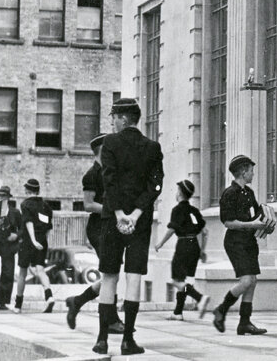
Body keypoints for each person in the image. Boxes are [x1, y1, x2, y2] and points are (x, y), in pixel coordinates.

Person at [92, 98, 164, 356]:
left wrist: (120, 213)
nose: (112, 121)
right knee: (134, 277)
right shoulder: (153, 147)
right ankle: (127, 341)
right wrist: (135, 214)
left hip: (112, 219)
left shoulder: (109, 143)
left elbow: (108, 180)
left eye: (114, 116)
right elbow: (156, 186)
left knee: (109, 276)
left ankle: (102, 340)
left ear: (123, 118)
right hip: (140, 222)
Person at [204, 155, 273, 335]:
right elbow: (228, 222)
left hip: (248, 241)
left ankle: (244, 323)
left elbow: (257, 215)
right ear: (243, 171)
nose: (253, 174)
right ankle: (222, 309)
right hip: (235, 242)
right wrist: (252, 225)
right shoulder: (230, 193)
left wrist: (267, 223)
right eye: (251, 171)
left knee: (253, 281)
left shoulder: (249, 193)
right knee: (246, 280)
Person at [66, 133, 124, 333]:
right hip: (98, 228)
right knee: (111, 274)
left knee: (111, 274)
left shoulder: (108, 173)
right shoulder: (92, 174)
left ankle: (78, 301)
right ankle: (111, 320)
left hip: (108, 227)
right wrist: (114, 210)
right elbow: (88, 205)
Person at [155, 179, 209, 320]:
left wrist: (160, 243)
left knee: (176, 281)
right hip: (194, 246)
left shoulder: (177, 210)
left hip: (183, 245)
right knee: (183, 280)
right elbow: (205, 232)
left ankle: (200, 298)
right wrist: (202, 250)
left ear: (179, 193)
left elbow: (172, 229)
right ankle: (178, 312)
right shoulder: (194, 211)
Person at [13, 178, 55, 314]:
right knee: (40, 270)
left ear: (27, 190)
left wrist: (33, 240)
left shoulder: (25, 204)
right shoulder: (46, 206)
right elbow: (49, 227)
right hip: (42, 241)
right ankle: (49, 297)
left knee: (22, 272)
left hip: (28, 241)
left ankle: (18, 306)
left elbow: (28, 222)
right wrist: (42, 241)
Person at [0, 185, 20, 310]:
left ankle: (4, 301)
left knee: (7, 272)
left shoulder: (15, 212)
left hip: (8, 244)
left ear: (8, 198)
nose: (0, 199)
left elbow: (22, 228)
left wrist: (16, 235)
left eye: (3, 196)